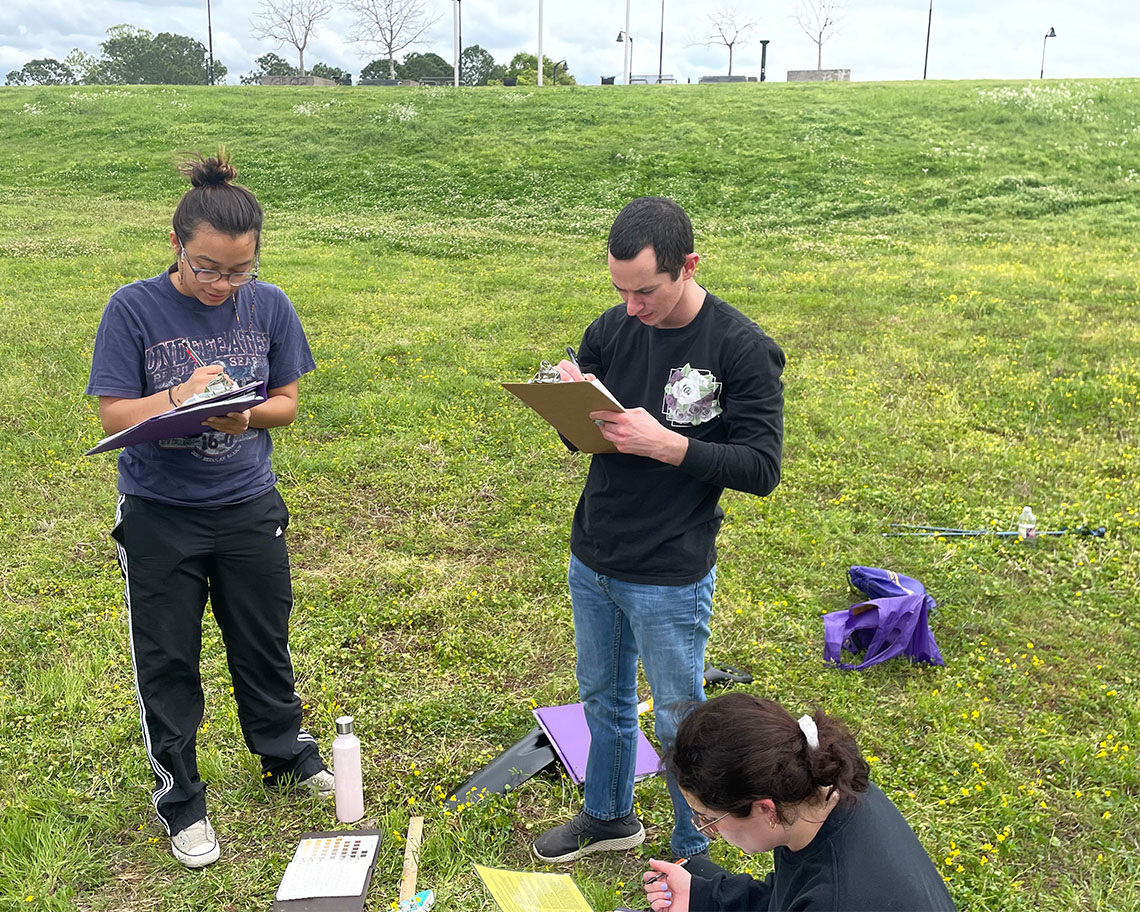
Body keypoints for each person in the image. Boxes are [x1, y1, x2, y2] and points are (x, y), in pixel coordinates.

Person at [86, 150, 331, 869]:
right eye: (208, 269)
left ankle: (284, 755)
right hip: (161, 512)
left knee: (262, 641)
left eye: (239, 270)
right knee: (167, 658)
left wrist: (247, 418)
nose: (224, 284)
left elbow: (285, 402)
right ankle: (182, 800)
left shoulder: (271, 305)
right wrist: (180, 397)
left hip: (249, 504)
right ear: (176, 247)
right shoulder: (132, 308)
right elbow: (112, 415)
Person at [532, 197, 785, 865]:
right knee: (603, 698)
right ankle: (609, 816)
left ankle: (692, 849)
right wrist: (567, 402)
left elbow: (762, 467)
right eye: (619, 290)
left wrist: (667, 444)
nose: (632, 306)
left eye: (645, 290)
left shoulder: (740, 348)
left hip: (671, 570)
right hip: (595, 552)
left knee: (681, 720)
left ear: (689, 266)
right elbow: (580, 437)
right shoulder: (612, 330)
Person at [640, 693, 957, 911]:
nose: (707, 831)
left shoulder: (836, 898)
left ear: (766, 810)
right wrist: (702, 897)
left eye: (708, 820)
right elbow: (789, 895)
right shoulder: (820, 791)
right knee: (697, 870)